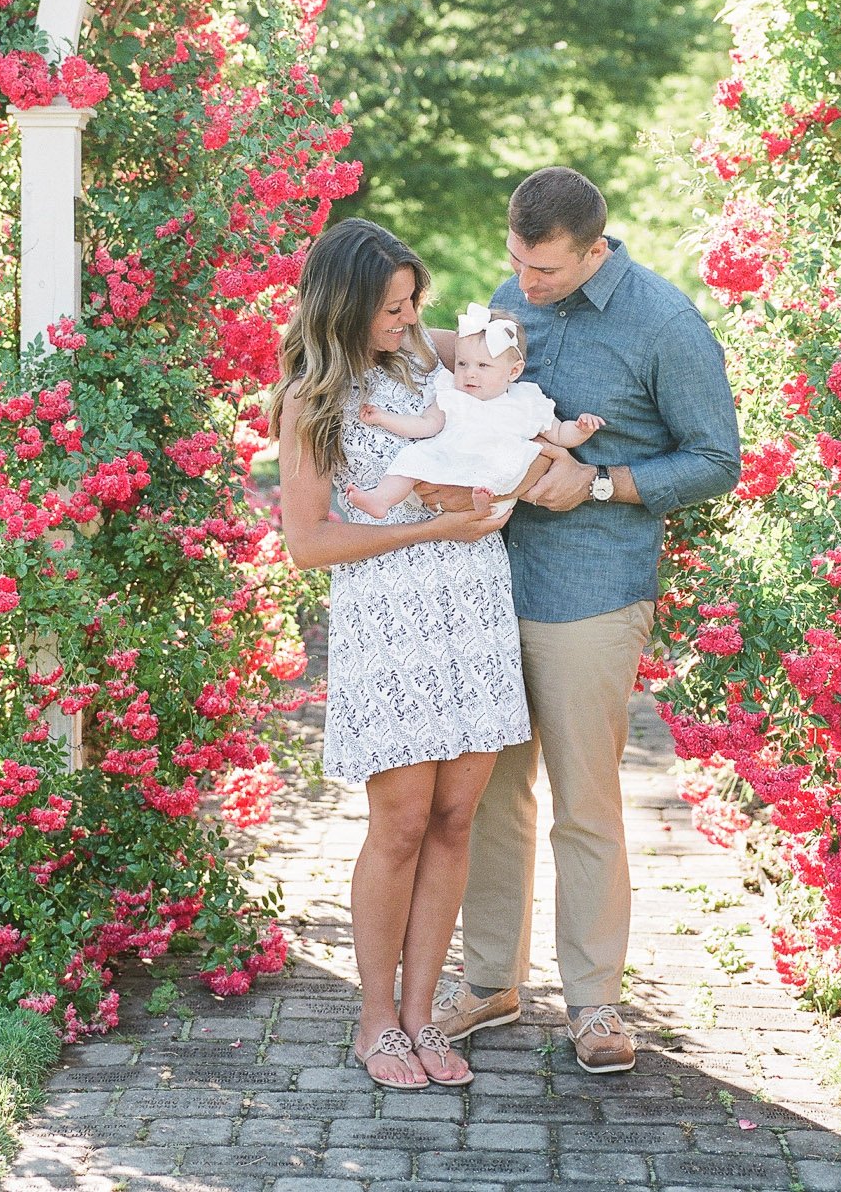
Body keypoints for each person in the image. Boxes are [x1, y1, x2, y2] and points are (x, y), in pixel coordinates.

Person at [423, 168, 741, 1073]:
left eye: (547, 272)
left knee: (586, 801)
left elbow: (718, 459)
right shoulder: (504, 297)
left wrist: (599, 481)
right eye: (516, 264)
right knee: (487, 793)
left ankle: (596, 1004)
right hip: (489, 582)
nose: (525, 286)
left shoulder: (666, 322)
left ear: (595, 249)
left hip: (595, 589)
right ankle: (488, 981)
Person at [271, 218, 546, 1089]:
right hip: (390, 623)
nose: (410, 318)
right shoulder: (315, 400)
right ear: (346, 305)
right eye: (392, 307)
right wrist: (435, 520)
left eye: (414, 301)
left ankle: (425, 1016)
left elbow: (506, 391)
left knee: (456, 819)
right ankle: (376, 1022)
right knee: (397, 824)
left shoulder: (433, 355)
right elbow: (308, 544)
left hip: (473, 610)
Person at [344, 302, 605, 520]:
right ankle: (381, 498)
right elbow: (426, 425)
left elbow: (560, 434)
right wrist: (382, 417)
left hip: (495, 464)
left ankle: (481, 507)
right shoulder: (451, 394)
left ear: (513, 371)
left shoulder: (527, 400)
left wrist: (581, 428)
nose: (470, 373)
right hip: (450, 456)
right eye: (462, 363)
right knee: (412, 458)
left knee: (510, 470)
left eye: (482, 365)